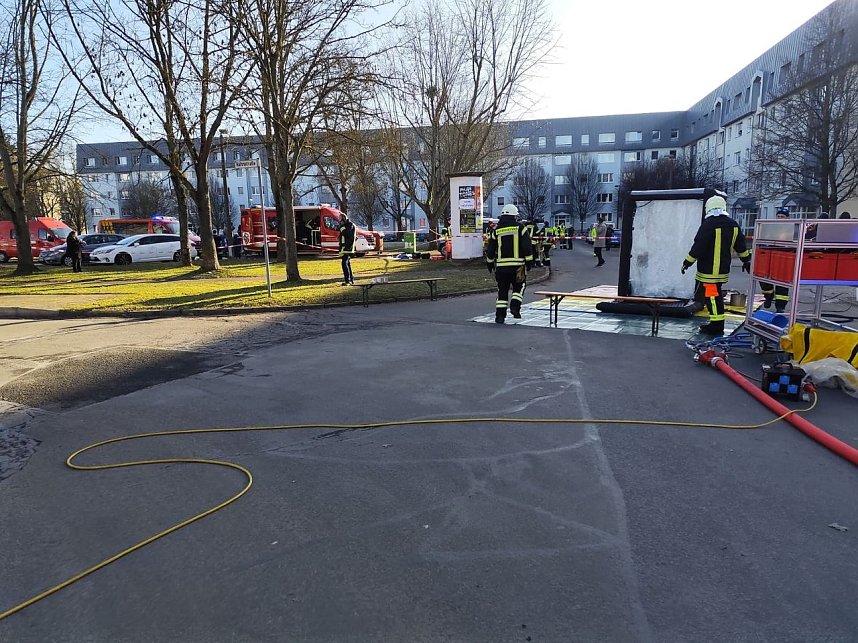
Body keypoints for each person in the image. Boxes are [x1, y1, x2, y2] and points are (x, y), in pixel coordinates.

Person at [682, 195, 751, 336]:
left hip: (709, 271)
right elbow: (742, 248)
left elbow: (698, 247)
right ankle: (716, 323)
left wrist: (687, 262)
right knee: (715, 296)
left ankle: (716, 325)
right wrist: (747, 261)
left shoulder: (708, 225)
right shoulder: (734, 225)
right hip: (723, 269)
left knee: (712, 297)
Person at [485, 204, 534, 324]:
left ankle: (500, 317)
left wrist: (490, 264)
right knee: (519, 287)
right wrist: (529, 262)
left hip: (501, 268)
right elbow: (527, 247)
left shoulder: (496, 230)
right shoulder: (520, 228)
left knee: (502, 291)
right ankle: (515, 306)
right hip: (517, 266)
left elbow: (490, 250)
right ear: (514, 216)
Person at [760, 207, 791, 312]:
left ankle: (780, 307)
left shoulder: (792, 229)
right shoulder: (771, 227)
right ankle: (768, 297)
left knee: (782, 284)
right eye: (778, 216)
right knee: (764, 280)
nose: (779, 218)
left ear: (787, 218)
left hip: (784, 258)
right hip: (770, 257)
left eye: (782, 217)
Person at [338, 214, 356, 285]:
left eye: (340, 218)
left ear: (343, 218)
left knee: (344, 263)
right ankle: (351, 279)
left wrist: (342, 228)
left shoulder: (349, 225)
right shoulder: (346, 225)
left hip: (347, 247)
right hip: (345, 247)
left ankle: (347, 280)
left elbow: (346, 234)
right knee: (347, 263)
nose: (339, 220)